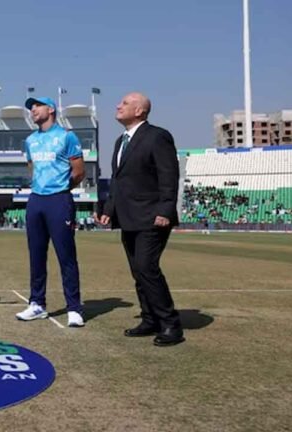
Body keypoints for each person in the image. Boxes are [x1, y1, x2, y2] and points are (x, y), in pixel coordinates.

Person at [98, 92, 184, 347]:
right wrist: (108, 209)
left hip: (152, 216)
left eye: (124, 103)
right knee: (138, 271)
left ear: (139, 110)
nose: (117, 105)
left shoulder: (157, 136)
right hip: (128, 217)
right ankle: (150, 319)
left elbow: (169, 175)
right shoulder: (119, 141)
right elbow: (118, 181)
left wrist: (165, 211)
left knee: (147, 267)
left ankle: (171, 324)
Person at [16, 96, 86, 327]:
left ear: (51, 109)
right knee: (36, 255)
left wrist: (61, 189)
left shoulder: (67, 137)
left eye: (37, 106)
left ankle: (74, 308)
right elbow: (32, 168)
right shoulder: (29, 140)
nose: (33, 110)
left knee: (66, 256)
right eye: (31, 108)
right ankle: (37, 303)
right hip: (36, 200)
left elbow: (78, 172)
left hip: (59, 200)